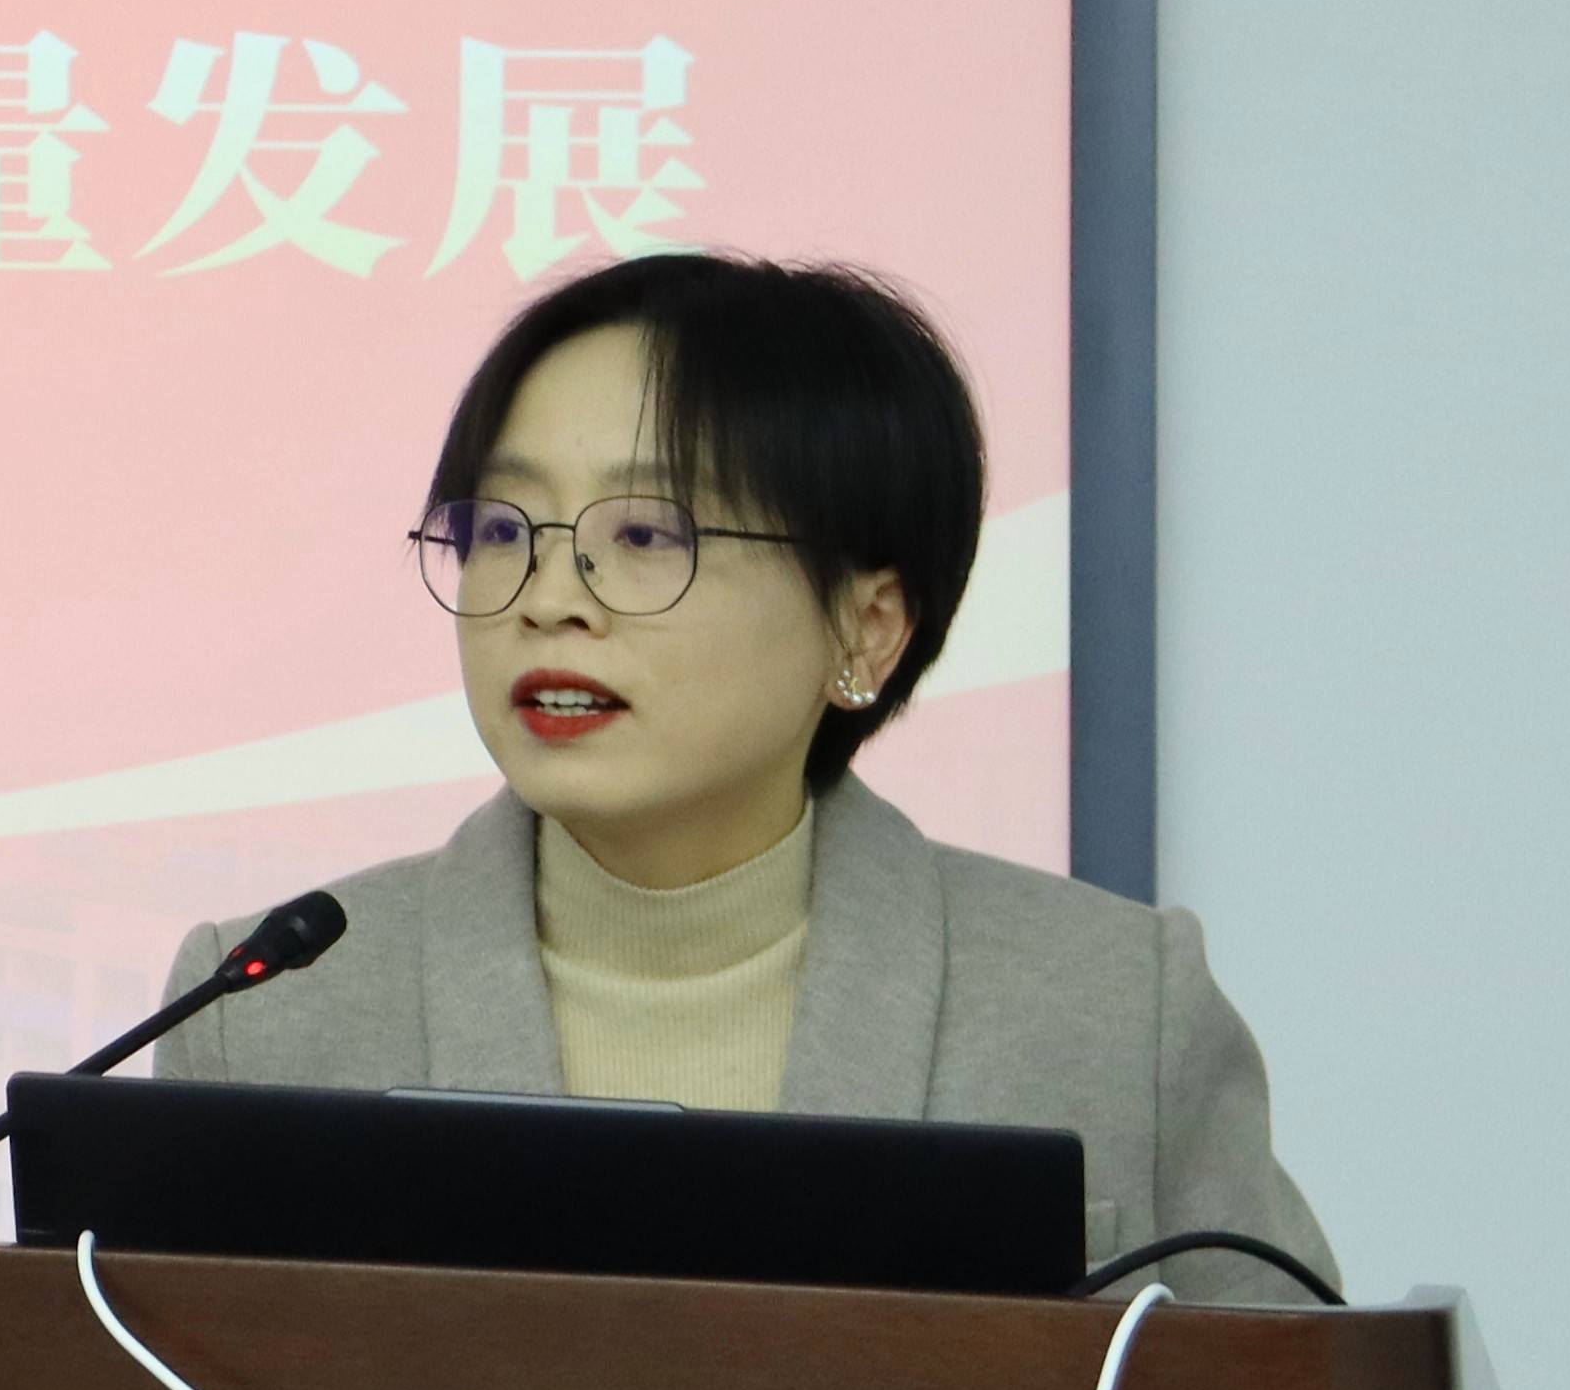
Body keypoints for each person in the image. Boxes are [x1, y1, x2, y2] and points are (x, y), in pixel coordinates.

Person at [156, 256, 1341, 1300]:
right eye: (505, 529)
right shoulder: (266, 1012)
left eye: (644, 536)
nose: (548, 597)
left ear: (867, 628)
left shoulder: (1113, 1007)